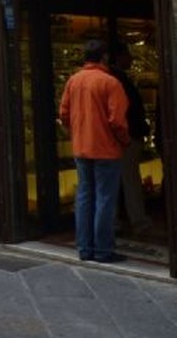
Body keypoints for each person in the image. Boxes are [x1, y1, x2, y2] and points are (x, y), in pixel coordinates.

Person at [59, 40, 130, 263]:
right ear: (104, 57)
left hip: (82, 148)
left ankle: (84, 247)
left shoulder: (73, 81)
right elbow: (117, 120)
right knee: (105, 200)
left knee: (84, 198)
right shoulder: (110, 83)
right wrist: (124, 141)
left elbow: (64, 114)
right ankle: (103, 250)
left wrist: (78, 132)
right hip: (106, 149)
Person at [111, 44, 152, 236]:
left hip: (115, 139)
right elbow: (122, 113)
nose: (132, 59)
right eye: (129, 55)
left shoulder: (115, 79)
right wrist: (126, 136)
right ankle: (137, 221)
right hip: (124, 137)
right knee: (129, 180)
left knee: (114, 180)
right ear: (120, 57)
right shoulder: (117, 81)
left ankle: (115, 220)